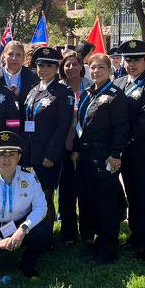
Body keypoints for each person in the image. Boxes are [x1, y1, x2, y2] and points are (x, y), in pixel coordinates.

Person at [0, 131, 52, 277]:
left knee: (43, 233)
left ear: (19, 157)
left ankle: (27, 262)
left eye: (12, 154)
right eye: (2, 154)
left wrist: (23, 229)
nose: (7, 159)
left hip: (19, 225)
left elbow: (41, 207)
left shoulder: (29, 176)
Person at [73, 53, 128, 264]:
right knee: (87, 198)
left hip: (105, 155)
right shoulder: (88, 93)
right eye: (93, 68)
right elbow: (81, 125)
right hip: (86, 154)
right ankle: (91, 240)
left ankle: (107, 247)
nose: (96, 71)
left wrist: (116, 155)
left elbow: (121, 128)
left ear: (110, 70)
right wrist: (77, 149)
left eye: (101, 68)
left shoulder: (115, 95)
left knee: (106, 202)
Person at [114, 40, 145, 259]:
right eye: (128, 60)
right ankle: (135, 234)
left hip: (141, 148)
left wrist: (124, 140)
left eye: (136, 60)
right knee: (131, 192)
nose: (132, 64)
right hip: (124, 149)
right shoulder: (120, 82)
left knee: (143, 194)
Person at [21, 46, 72, 222]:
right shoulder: (33, 90)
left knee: (45, 195)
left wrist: (51, 154)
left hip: (47, 154)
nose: (43, 70)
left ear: (56, 68)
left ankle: (47, 236)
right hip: (29, 153)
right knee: (29, 195)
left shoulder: (63, 93)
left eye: (49, 66)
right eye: (40, 65)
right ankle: (33, 231)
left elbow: (63, 127)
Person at [57, 50, 92, 245]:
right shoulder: (59, 88)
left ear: (81, 66)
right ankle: (68, 232)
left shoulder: (91, 87)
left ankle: (87, 232)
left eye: (74, 64)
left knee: (86, 187)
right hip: (65, 144)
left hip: (86, 144)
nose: (71, 68)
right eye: (67, 65)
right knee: (66, 188)